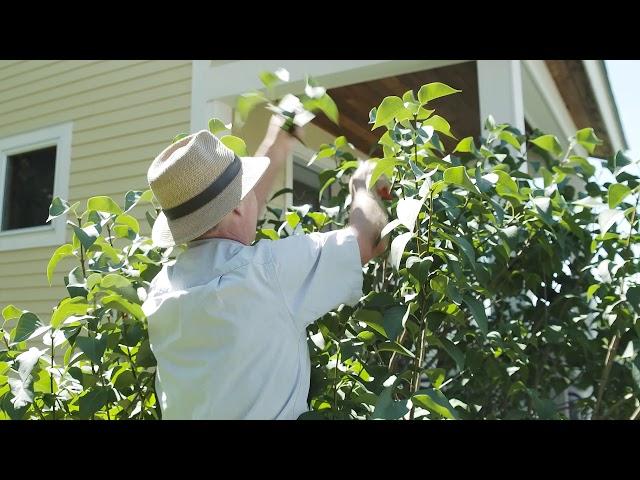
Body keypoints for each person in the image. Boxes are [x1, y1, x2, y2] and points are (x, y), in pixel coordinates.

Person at [142, 114, 388, 419]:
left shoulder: (160, 290)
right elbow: (367, 240)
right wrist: (362, 186)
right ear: (236, 206)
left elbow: (228, 224)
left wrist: (277, 143)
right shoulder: (270, 272)